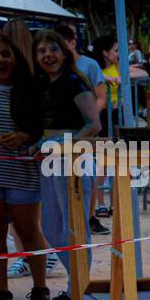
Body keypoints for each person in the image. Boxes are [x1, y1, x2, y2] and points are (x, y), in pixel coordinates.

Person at [0, 33, 50, 300]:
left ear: (16, 58)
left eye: (6, 54)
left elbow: (42, 127)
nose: (0, 60)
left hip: (22, 171)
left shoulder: (31, 89)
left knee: (28, 230)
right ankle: (1, 290)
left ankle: (40, 286)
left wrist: (26, 136)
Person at [32, 29, 100, 300]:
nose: (48, 55)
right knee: (50, 226)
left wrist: (63, 144)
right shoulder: (43, 84)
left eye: (53, 49)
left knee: (74, 227)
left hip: (73, 160)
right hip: (51, 159)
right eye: (42, 51)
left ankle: (77, 290)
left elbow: (93, 125)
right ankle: (78, 282)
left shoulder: (74, 83)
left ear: (64, 52)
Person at [55, 23, 109, 234]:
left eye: (60, 45)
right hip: (60, 134)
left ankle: (89, 217)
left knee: (87, 175)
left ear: (72, 42)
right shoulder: (54, 69)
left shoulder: (90, 65)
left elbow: (102, 98)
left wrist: (89, 120)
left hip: (86, 131)